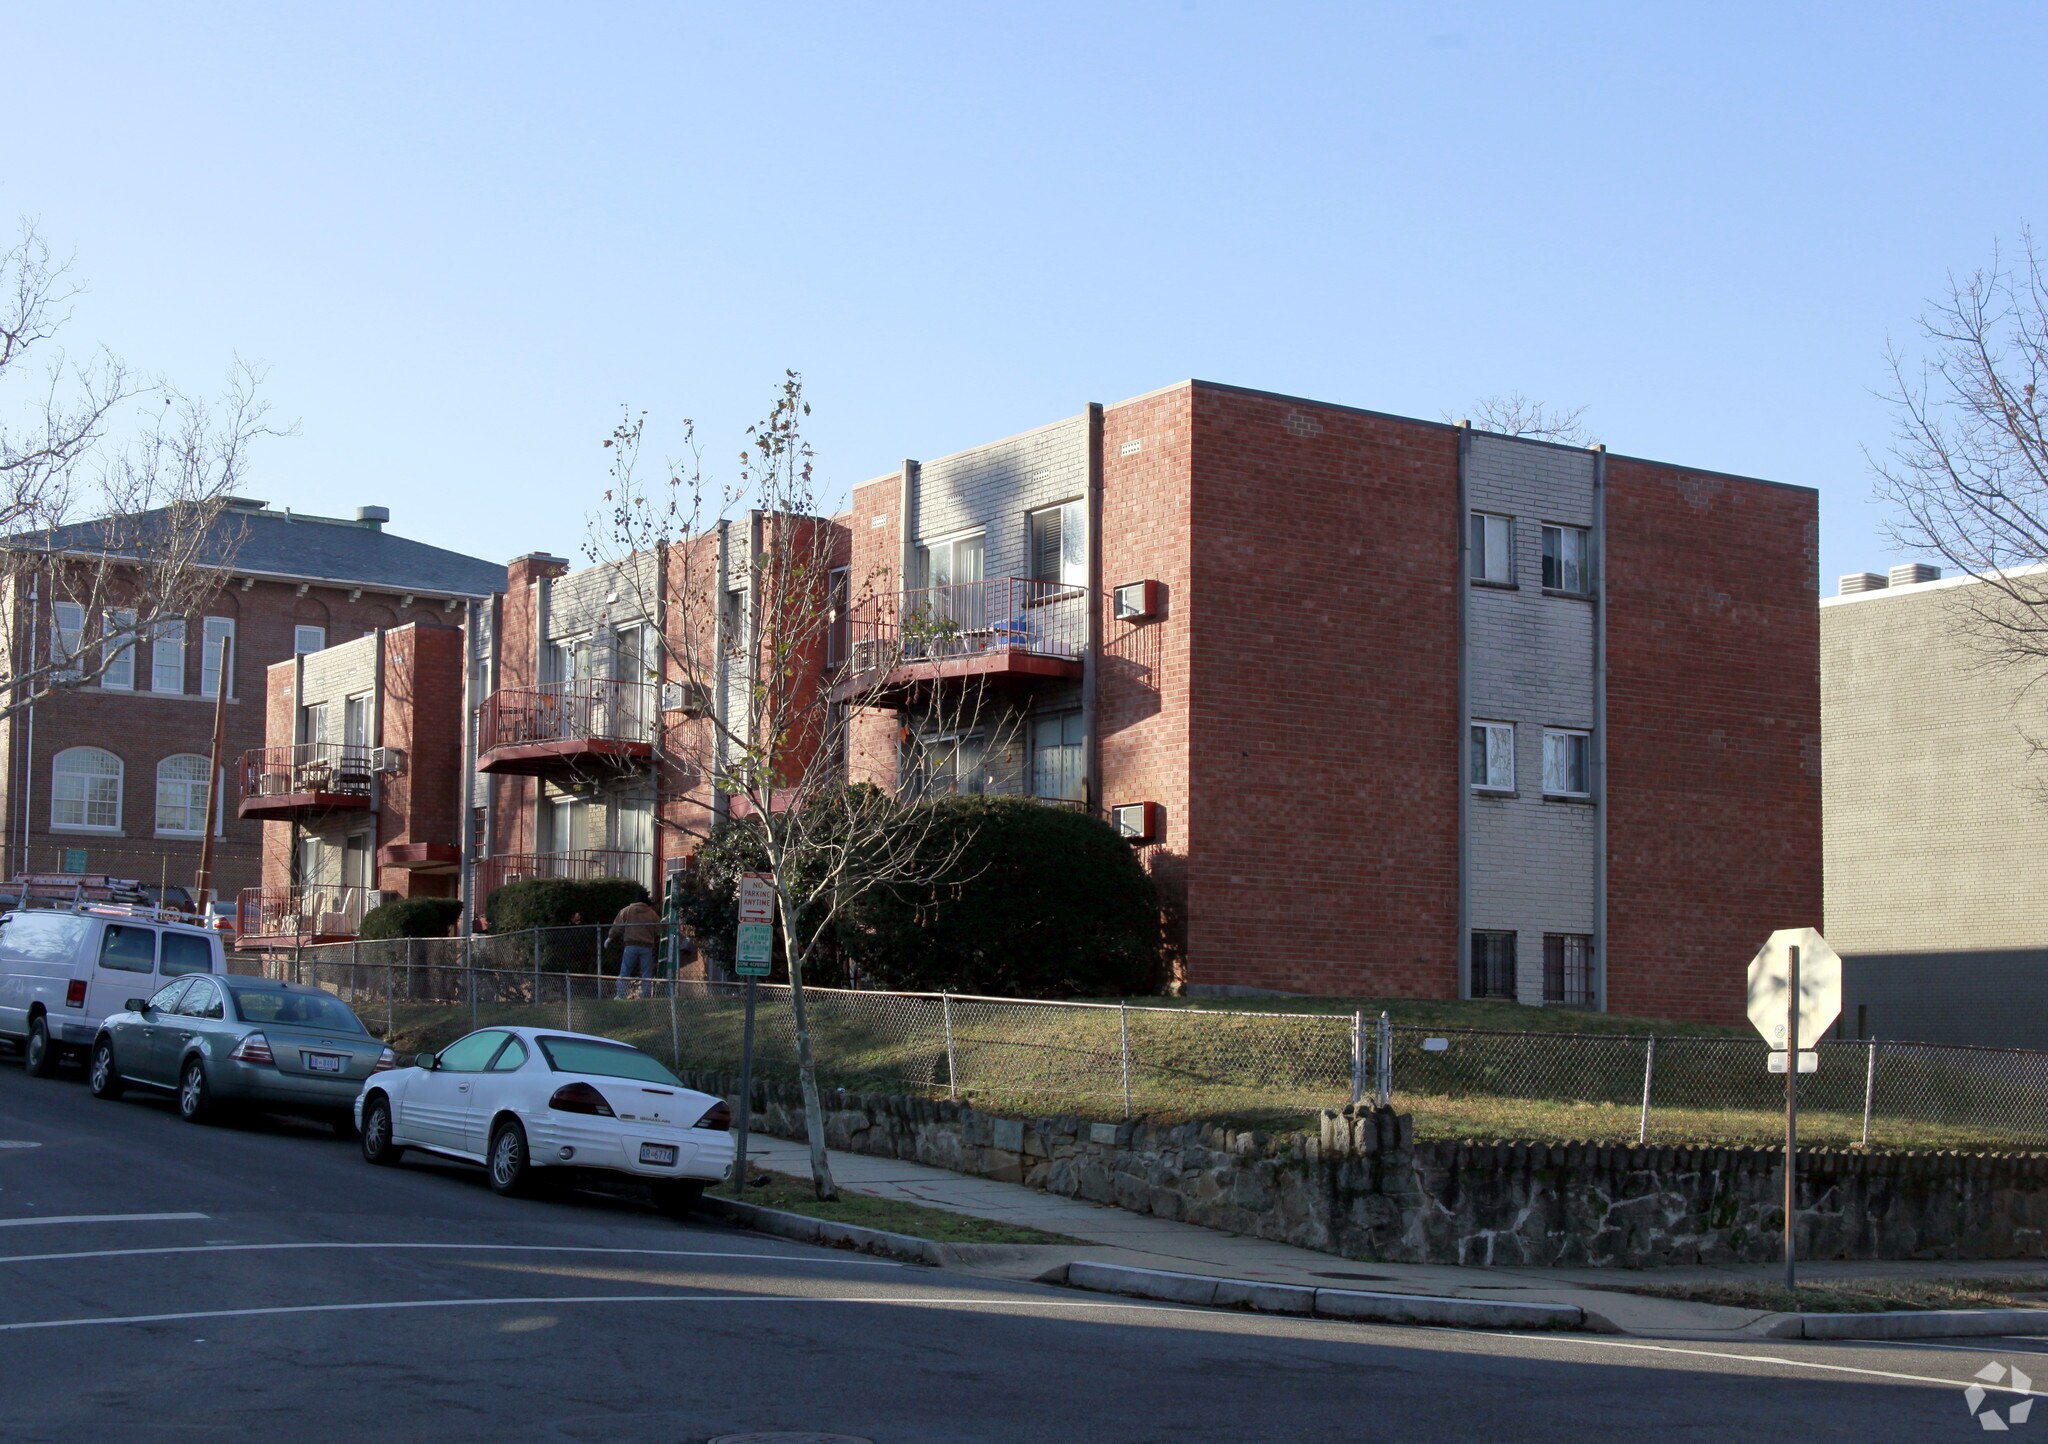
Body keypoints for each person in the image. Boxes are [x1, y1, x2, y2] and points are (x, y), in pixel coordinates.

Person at [608, 898, 661, 999]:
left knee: (625, 971)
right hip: (646, 946)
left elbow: (617, 925)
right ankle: (645, 995)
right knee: (646, 972)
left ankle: (621, 994)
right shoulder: (651, 913)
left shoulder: (627, 910)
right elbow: (659, 929)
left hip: (631, 945)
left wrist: (610, 936)